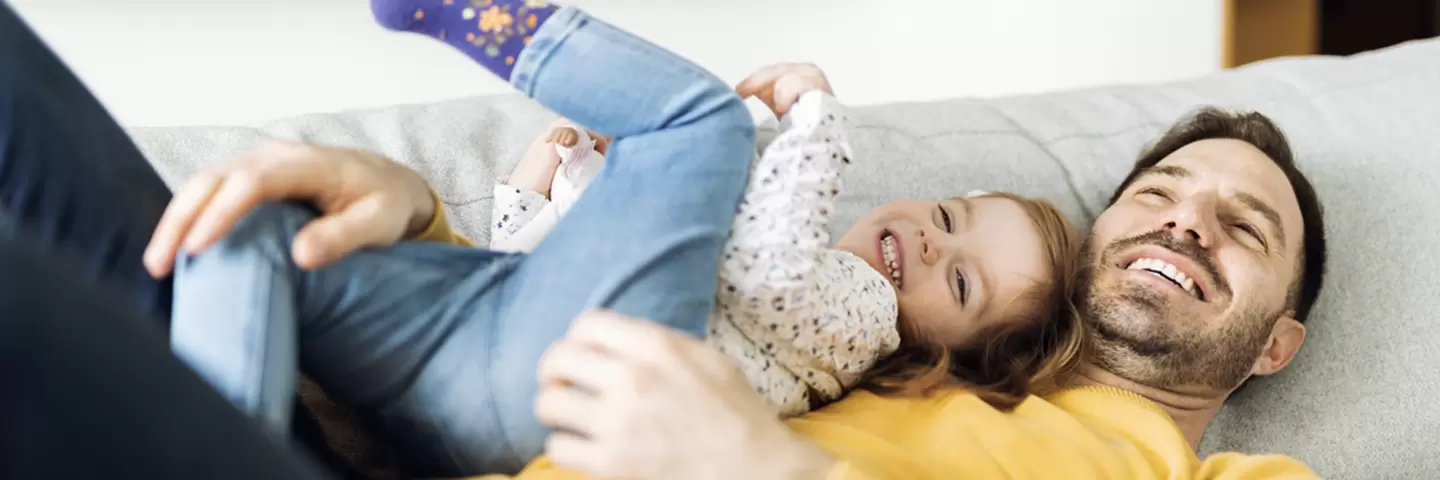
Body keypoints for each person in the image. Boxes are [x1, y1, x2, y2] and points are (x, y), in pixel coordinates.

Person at [167, 3, 1080, 477]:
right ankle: (210, 441)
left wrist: (816, 127)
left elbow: (764, 268)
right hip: (477, 373)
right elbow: (532, 281)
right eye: (951, 222)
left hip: (553, 387)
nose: (927, 247)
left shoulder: (863, 322)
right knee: (257, 228)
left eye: (959, 286)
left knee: (703, 123)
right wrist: (535, 199)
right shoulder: (744, 266)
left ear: (943, 360)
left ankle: (470, 12)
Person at [468, 110, 1328, 479]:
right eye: (1155, 193)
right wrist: (416, 222)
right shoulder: (900, 345)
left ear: (1274, 346)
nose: (1185, 224)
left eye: (1246, 229)